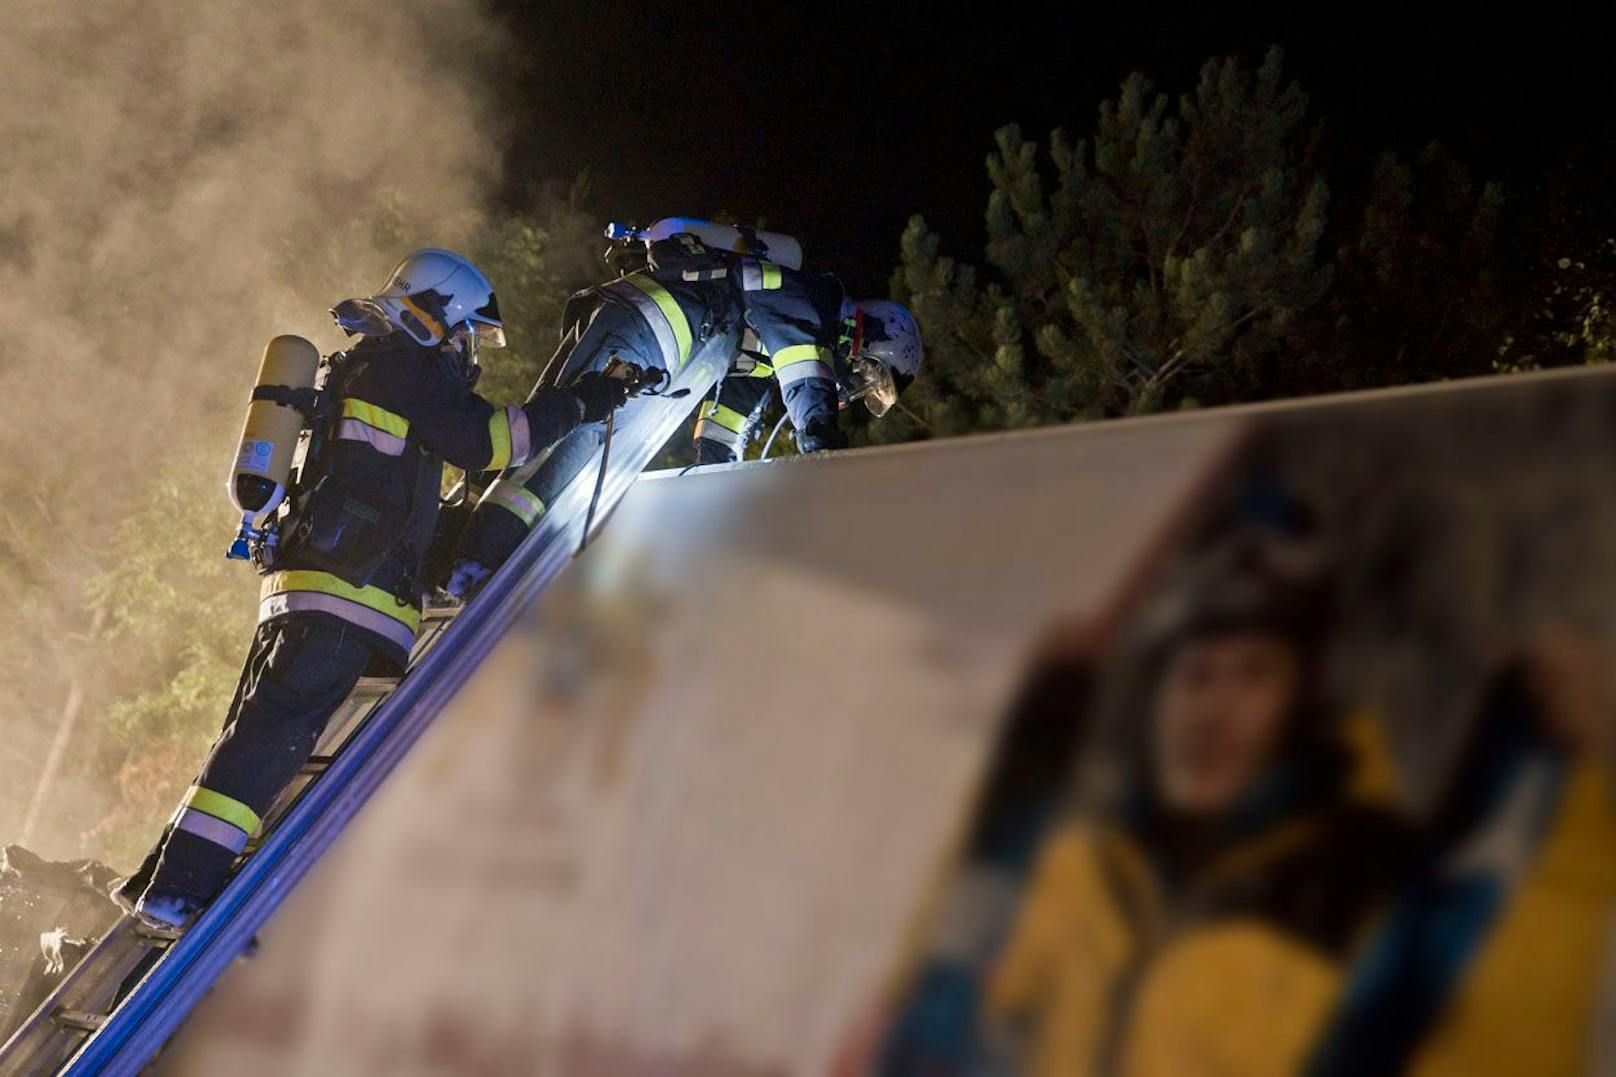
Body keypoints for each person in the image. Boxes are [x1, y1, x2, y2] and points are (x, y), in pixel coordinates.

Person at [116, 249, 628, 928]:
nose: (468, 347)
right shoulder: (404, 367)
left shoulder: (367, 365)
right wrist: (584, 401)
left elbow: (384, 479)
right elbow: (490, 443)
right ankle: (178, 890)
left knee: (254, 733)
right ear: (438, 312)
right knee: (269, 739)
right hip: (343, 588)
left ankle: (163, 878)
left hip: (318, 583)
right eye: (466, 330)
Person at [968, 535, 1414, 1077]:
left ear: (1304, 706)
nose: (1215, 714)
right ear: (1150, 704)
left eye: (1255, 674)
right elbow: (971, 1025)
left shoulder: (1362, 889)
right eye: (1196, 675)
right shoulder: (1080, 865)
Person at [444, 219, 923, 597]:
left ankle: (475, 557)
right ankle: (473, 564)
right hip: (647, 326)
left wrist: (716, 484)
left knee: (570, 449)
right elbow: (806, 375)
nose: (854, 384)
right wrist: (822, 446)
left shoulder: (774, 335)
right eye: (864, 374)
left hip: (649, 341)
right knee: (570, 440)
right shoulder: (806, 301)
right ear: (858, 335)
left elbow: (727, 418)